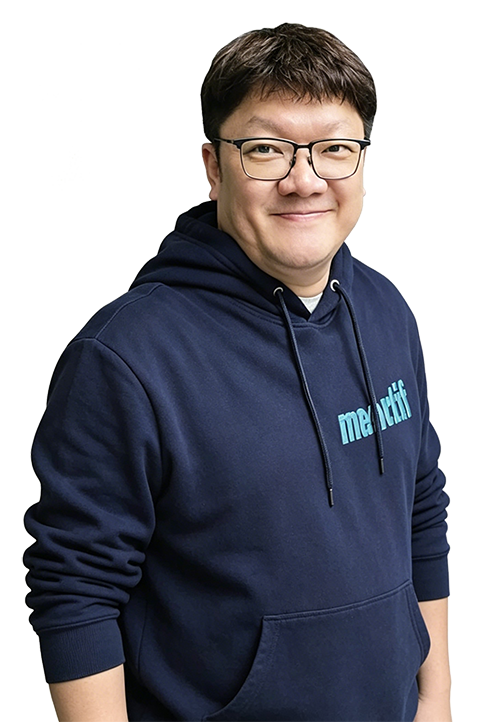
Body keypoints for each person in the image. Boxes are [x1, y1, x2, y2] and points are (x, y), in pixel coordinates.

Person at [24, 23, 451, 722]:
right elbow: (76, 588)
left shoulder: (385, 311)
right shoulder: (126, 357)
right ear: (215, 165)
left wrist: (436, 697)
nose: (304, 180)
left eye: (335, 149)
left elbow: (420, 508)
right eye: (266, 149)